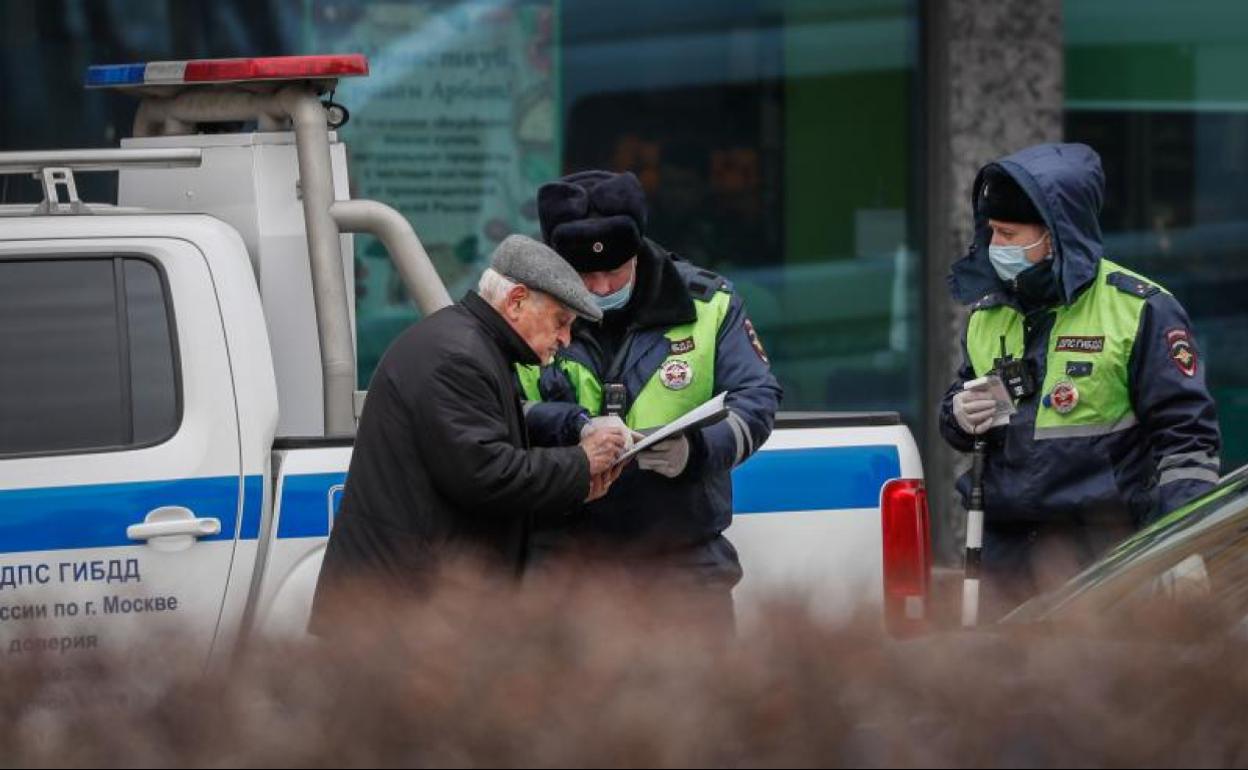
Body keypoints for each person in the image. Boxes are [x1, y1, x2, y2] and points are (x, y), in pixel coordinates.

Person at [940, 142, 1221, 615]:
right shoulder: (990, 314)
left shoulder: (1139, 310)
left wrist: (1184, 542)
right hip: (1004, 553)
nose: (996, 248)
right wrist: (957, 415)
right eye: (992, 233)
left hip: (1102, 553)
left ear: (1053, 235)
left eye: (1009, 234)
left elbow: (1187, 441)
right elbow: (962, 413)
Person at [309, 235, 628, 632]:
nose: (565, 340)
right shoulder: (458, 355)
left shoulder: (468, 344)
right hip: (405, 612)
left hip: (407, 603)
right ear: (515, 301)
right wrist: (582, 462)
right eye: (561, 322)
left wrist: (578, 479)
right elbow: (486, 474)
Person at [517, 169, 782, 620]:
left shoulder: (708, 303)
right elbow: (493, 409)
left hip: (683, 566)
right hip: (561, 566)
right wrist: (570, 430)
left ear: (638, 250)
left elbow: (756, 399)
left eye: (615, 271)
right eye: (585, 274)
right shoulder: (521, 311)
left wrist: (694, 450)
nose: (601, 288)